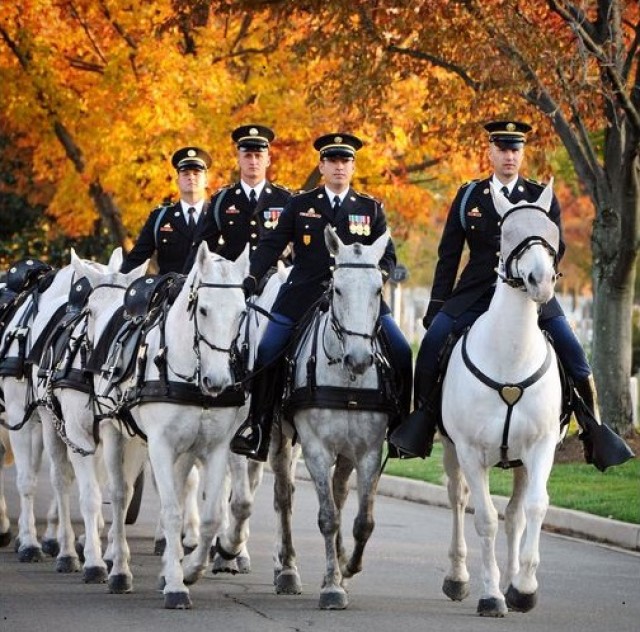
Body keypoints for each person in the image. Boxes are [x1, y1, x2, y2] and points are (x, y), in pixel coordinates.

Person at [390, 119, 609, 460]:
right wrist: (436, 306)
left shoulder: (539, 196)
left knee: (575, 355)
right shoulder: (468, 197)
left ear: (522, 154)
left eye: (515, 150)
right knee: (432, 346)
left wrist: (536, 276)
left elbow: (557, 247)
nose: (509, 156)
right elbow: (448, 255)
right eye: (503, 150)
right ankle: (420, 425)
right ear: (490, 152)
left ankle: (594, 431)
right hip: (474, 293)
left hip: (531, 295)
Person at [229, 133, 413, 461]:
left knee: (400, 350)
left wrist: (376, 279)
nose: (339, 167)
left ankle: (400, 430)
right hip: (303, 294)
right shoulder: (300, 205)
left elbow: (387, 258)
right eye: (333, 161)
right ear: (322, 166)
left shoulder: (370, 208)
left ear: (353, 167)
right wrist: (252, 276)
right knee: (268, 349)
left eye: (345, 161)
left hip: (359, 302)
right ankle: (258, 426)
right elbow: (272, 244)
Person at [185, 125, 292, 266]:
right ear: (238, 160)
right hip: (233, 280)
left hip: (274, 276)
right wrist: (184, 281)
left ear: (268, 160)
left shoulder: (286, 199)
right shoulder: (222, 200)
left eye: (258, 156)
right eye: (247, 156)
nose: (253, 161)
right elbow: (203, 247)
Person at [120, 146, 212, 275]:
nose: (191, 177)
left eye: (196, 173)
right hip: (170, 292)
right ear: (177, 181)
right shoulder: (160, 217)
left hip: (209, 291)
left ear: (206, 180)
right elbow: (136, 260)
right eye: (185, 174)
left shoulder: (217, 215)